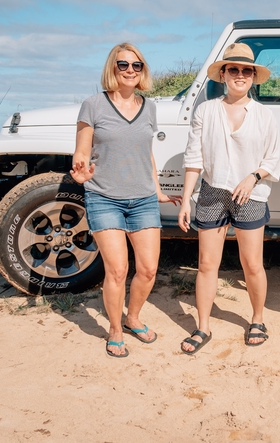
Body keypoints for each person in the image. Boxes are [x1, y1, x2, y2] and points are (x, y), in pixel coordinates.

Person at [70, 42, 181, 358]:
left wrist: (156, 187)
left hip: (143, 199)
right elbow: (81, 150)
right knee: (117, 270)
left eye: (137, 65)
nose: (131, 70)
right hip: (104, 197)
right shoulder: (93, 105)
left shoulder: (150, 107)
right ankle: (115, 329)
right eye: (123, 65)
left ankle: (132, 318)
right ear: (112, 68)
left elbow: (144, 151)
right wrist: (79, 169)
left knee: (148, 270)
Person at [177, 43, 280, 355]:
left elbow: (272, 160)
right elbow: (194, 158)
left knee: (252, 264)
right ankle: (203, 326)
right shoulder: (206, 110)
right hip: (212, 192)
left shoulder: (264, 115)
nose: (239, 75)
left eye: (245, 70)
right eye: (233, 69)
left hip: (251, 194)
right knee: (207, 263)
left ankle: (258, 319)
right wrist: (185, 199)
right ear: (223, 74)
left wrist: (253, 177)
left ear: (253, 76)